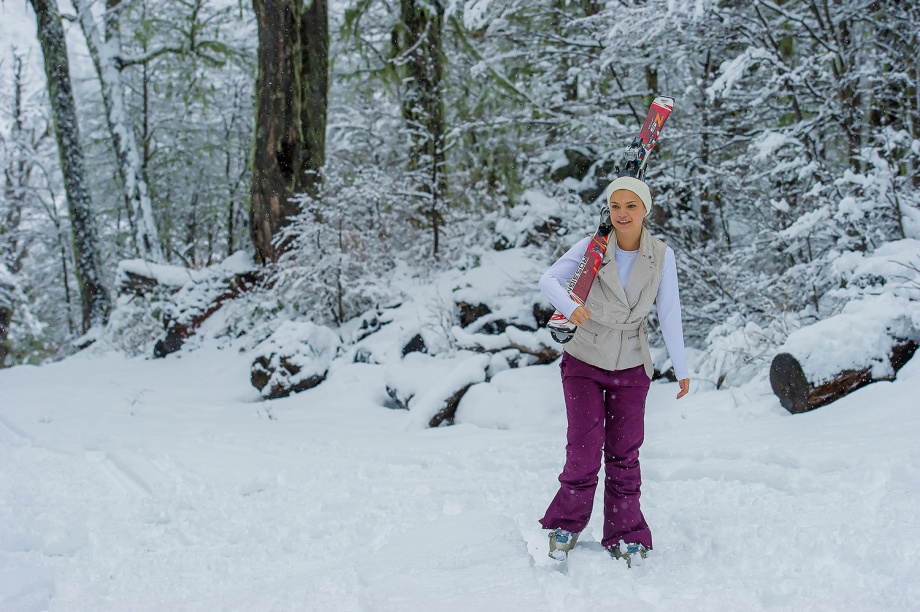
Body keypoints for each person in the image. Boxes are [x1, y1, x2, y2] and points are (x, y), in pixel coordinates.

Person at [538, 176, 691, 567]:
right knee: (584, 448)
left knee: (625, 452)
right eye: (615, 206)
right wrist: (569, 307)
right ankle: (566, 524)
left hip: (632, 362)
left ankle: (626, 532)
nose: (622, 214)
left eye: (631, 206)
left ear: (645, 210)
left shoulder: (661, 255)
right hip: (584, 358)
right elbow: (548, 279)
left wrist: (682, 368)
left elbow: (669, 312)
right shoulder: (593, 247)